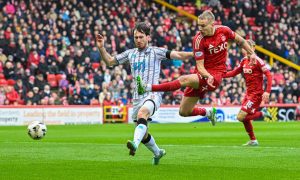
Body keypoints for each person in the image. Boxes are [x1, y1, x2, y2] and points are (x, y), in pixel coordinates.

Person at [96, 22, 193, 165]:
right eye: (136, 37)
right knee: (144, 133)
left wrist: (195, 54)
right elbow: (110, 62)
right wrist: (101, 48)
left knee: (143, 114)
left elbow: (178, 54)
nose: (138, 40)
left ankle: (134, 143)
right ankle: (158, 152)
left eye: (141, 37)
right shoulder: (130, 54)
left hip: (153, 93)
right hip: (137, 97)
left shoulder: (156, 51)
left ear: (148, 37)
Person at [137, 10, 256, 125]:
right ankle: (208, 112)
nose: (200, 29)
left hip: (216, 74)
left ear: (212, 24)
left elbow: (241, 41)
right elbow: (200, 66)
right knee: (184, 112)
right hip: (203, 73)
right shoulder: (198, 40)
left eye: (203, 26)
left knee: (184, 79)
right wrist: (206, 75)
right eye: (199, 25)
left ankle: (148, 88)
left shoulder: (224, 31)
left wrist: (252, 53)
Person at [223, 39, 273, 146]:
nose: (244, 49)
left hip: (256, 95)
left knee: (240, 117)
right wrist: (221, 75)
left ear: (253, 48)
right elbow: (233, 73)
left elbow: (269, 75)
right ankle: (253, 140)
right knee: (245, 118)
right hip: (248, 94)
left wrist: (267, 92)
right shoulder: (244, 61)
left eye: (246, 47)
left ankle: (263, 113)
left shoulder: (258, 61)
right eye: (243, 47)